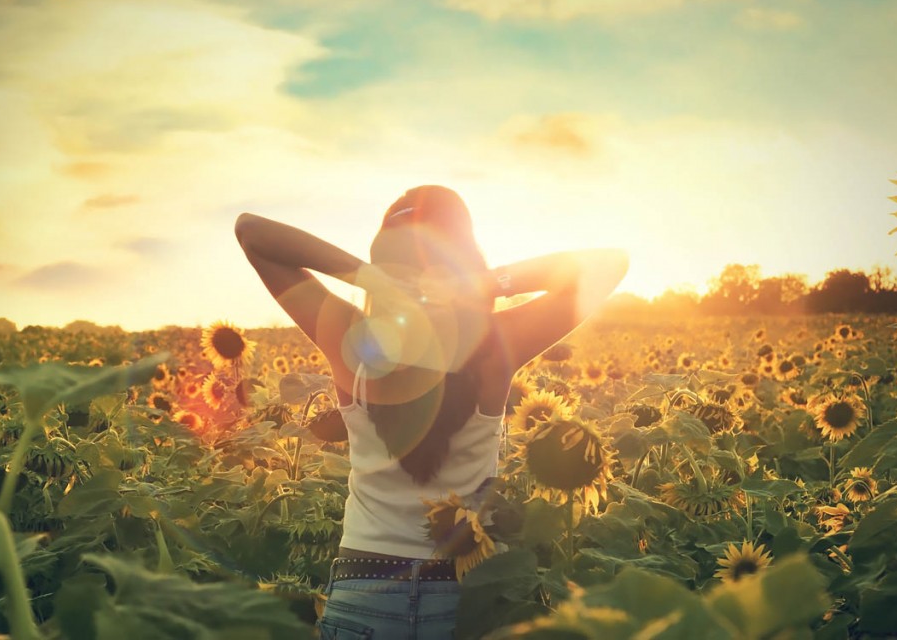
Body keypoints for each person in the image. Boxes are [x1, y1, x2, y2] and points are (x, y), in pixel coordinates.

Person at [234, 185, 628, 639]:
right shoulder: (496, 346)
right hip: (463, 600)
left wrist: (367, 276)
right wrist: (482, 284)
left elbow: (252, 233)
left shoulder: (352, 338)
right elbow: (608, 264)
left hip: (364, 593)